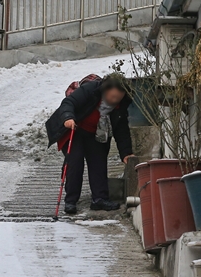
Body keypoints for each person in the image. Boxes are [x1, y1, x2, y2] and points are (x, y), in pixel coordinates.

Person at [46, 73, 135, 214]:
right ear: (105, 90)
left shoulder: (121, 105)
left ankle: (99, 199)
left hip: (95, 133)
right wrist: (68, 117)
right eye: (112, 97)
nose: (114, 101)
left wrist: (126, 153)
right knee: (75, 161)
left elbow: (121, 130)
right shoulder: (90, 90)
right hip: (74, 128)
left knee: (98, 161)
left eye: (118, 98)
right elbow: (68, 103)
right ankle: (71, 200)